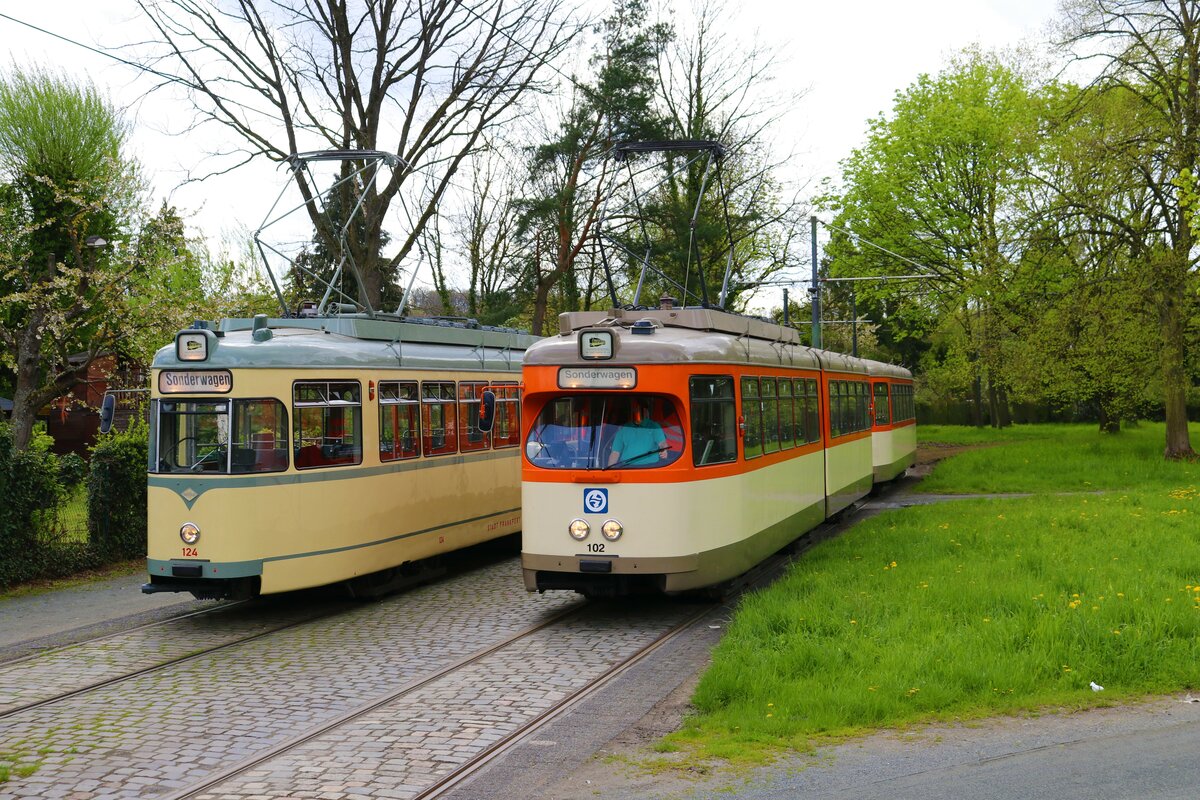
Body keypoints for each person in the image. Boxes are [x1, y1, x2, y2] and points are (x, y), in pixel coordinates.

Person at [607, 398, 667, 467]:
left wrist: (663, 449)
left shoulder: (654, 426)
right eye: (635, 409)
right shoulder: (624, 428)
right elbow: (615, 452)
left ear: (646, 411)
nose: (637, 411)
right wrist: (610, 468)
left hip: (651, 467)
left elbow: (662, 443)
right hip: (626, 467)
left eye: (640, 409)